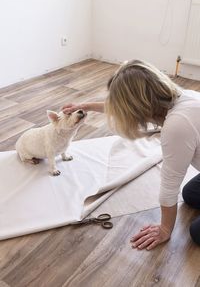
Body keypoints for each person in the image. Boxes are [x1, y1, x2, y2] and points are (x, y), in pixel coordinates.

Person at [62, 60, 200, 250]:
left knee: (196, 233)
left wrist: (165, 229)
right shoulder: (183, 98)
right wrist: (85, 106)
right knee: (191, 195)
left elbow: (170, 185)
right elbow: (119, 106)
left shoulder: (177, 125)